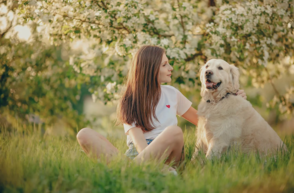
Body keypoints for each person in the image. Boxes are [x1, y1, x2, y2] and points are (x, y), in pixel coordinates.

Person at [76, 45, 247, 173]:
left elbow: (204, 122)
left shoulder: (172, 94)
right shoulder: (129, 100)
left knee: (174, 132)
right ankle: (139, 172)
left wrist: (231, 101)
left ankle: (128, 173)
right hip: (140, 155)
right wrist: (143, 162)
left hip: (169, 156)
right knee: (83, 134)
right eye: (165, 64)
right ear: (150, 69)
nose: (170, 68)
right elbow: (140, 147)